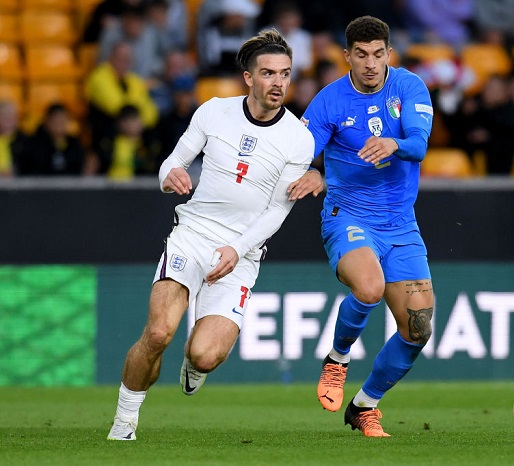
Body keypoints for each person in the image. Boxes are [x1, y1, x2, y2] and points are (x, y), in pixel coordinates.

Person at [107, 28, 316, 441]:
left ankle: (194, 365)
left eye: (285, 74)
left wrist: (237, 250)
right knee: (158, 332)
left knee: (206, 354)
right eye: (269, 74)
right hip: (193, 234)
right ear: (249, 78)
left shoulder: (299, 138)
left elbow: (278, 210)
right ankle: (124, 421)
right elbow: (171, 163)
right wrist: (172, 176)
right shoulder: (213, 112)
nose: (278, 83)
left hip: (242, 253)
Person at [289, 16, 434, 437]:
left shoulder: (408, 87)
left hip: (401, 224)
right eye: (361, 55)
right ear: (347, 56)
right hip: (348, 215)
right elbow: (300, 155)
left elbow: (420, 143)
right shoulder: (329, 102)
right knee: (368, 288)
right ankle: (337, 359)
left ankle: (364, 405)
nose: (370, 63)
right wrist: (314, 173)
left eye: (378, 54)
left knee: (418, 328)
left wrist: (395, 143)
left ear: (389, 53)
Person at [19, 103, 85, 176]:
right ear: (47, 121)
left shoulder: (74, 144)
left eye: (63, 120)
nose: (59, 124)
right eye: (56, 120)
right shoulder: (34, 145)